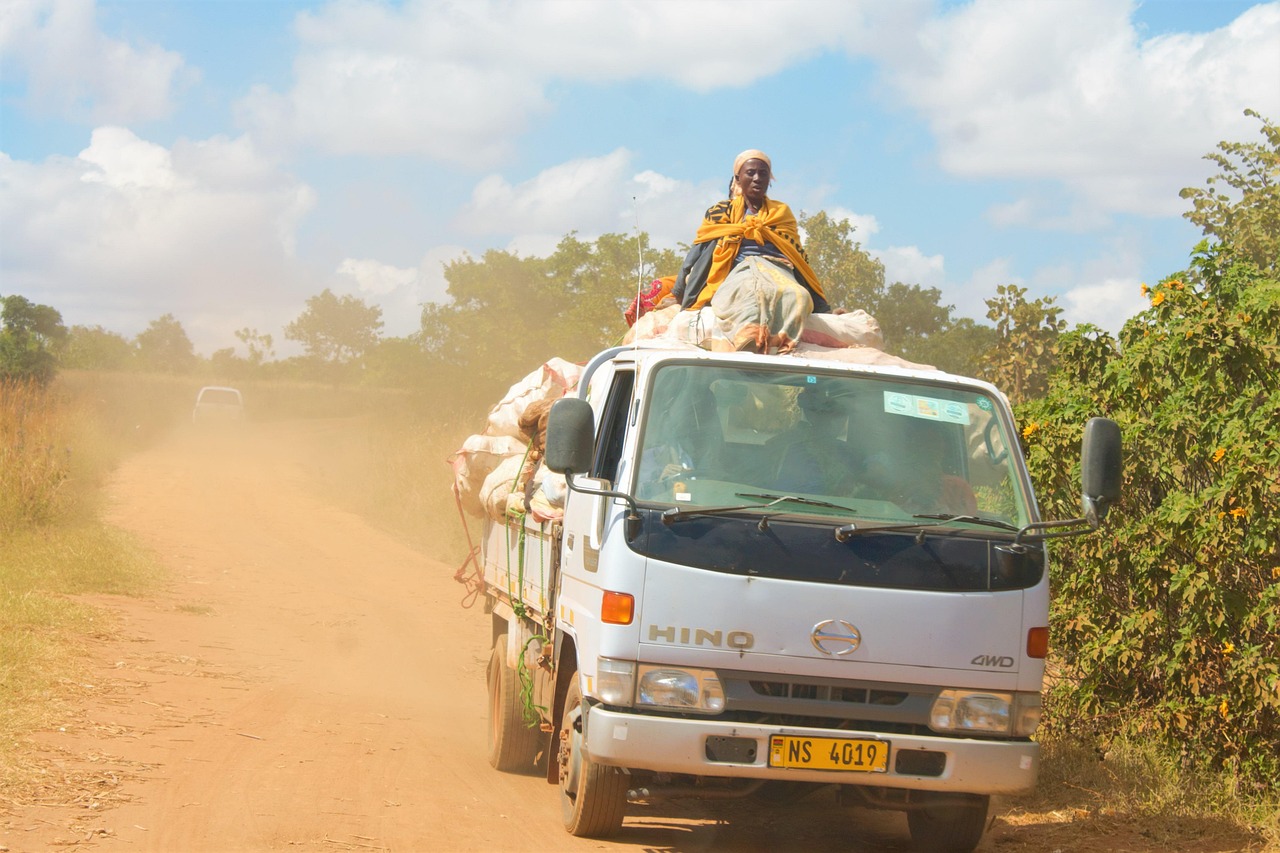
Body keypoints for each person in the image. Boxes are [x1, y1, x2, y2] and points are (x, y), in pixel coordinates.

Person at [670, 150, 831, 353]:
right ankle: (748, 337)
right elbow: (698, 250)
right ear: (738, 178)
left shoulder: (781, 213)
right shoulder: (720, 211)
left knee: (798, 295)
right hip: (739, 269)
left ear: (769, 180)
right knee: (748, 292)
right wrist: (679, 292)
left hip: (778, 268)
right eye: (751, 173)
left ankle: (779, 344)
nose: (757, 178)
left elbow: (798, 257)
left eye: (763, 174)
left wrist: (823, 306)